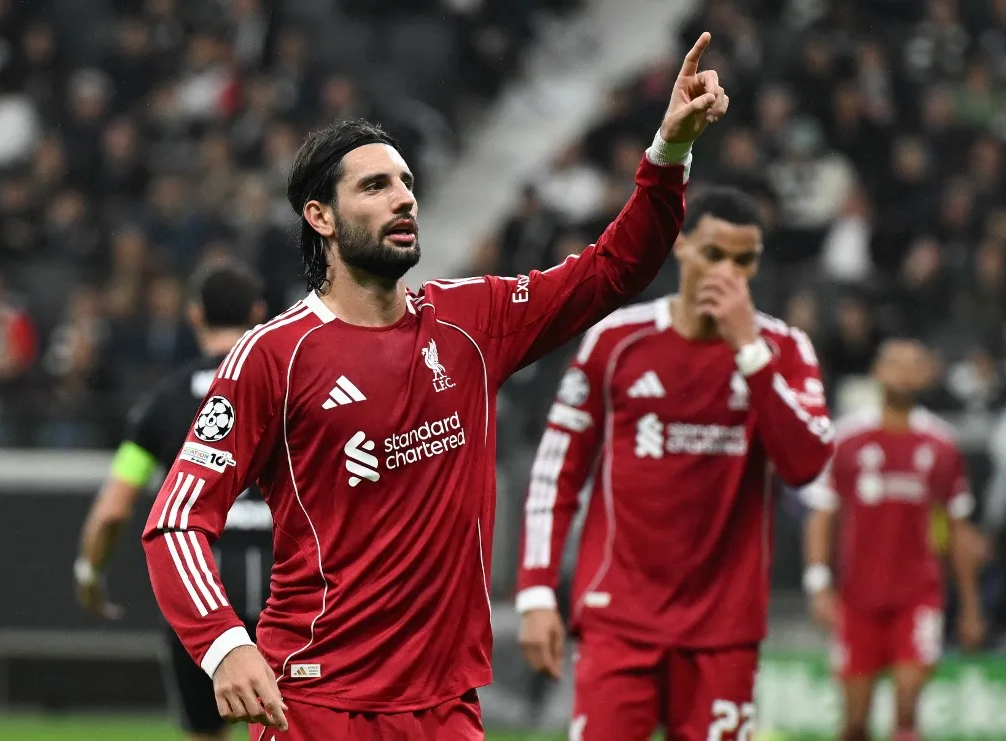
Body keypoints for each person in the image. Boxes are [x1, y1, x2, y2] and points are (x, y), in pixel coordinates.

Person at [140, 31, 728, 741]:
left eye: (408, 184)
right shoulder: (274, 356)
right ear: (319, 217)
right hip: (320, 707)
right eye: (375, 185)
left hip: (445, 709)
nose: (403, 199)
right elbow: (176, 521)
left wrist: (669, 151)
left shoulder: (471, 322)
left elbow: (614, 269)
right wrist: (224, 642)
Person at [515, 185, 834, 741]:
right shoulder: (616, 342)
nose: (728, 273)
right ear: (681, 247)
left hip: (724, 628)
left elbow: (806, 465)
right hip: (619, 617)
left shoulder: (784, 350)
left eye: (744, 260)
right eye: (715, 254)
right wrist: (538, 593)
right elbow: (556, 471)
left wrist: (749, 351)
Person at [75, 259, 271, 741]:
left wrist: (90, 574)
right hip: (285, 589)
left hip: (203, 589)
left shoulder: (163, 402)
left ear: (193, 316)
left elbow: (113, 509)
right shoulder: (288, 386)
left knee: (206, 732)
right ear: (260, 313)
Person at [800, 338, 986, 741]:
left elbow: (956, 530)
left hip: (917, 597)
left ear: (925, 375)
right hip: (857, 598)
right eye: (894, 363)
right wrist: (818, 583)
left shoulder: (941, 444)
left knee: (906, 709)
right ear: (877, 372)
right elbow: (822, 516)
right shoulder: (847, 439)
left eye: (912, 364)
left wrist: (971, 606)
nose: (903, 372)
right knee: (854, 721)